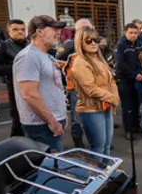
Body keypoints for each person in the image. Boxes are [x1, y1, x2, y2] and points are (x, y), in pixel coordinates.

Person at [13, 15, 68, 151]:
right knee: (48, 168)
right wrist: (51, 120)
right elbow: (29, 94)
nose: (58, 33)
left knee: (55, 166)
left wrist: (62, 114)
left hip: (51, 122)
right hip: (41, 126)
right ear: (39, 31)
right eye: (54, 29)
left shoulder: (45, 55)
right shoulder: (28, 57)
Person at [68, 26, 119, 157]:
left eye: (95, 40)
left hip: (105, 107)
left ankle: (106, 175)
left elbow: (111, 81)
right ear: (80, 42)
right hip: (90, 110)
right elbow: (90, 89)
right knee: (98, 148)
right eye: (88, 41)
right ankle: (95, 176)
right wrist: (112, 98)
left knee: (106, 147)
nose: (93, 44)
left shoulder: (99, 60)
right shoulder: (80, 63)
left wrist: (114, 97)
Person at [57, 18, 97, 148]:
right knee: (77, 117)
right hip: (76, 88)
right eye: (81, 28)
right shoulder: (69, 45)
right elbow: (58, 63)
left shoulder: (95, 44)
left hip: (94, 87)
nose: (85, 31)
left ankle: (97, 140)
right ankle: (78, 143)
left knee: (95, 114)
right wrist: (71, 77)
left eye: (88, 28)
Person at [0, 19, 28, 137]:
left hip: (34, 85)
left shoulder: (30, 44)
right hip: (15, 87)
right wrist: (16, 68)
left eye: (22, 29)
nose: (20, 32)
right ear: (8, 31)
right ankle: (16, 147)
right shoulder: (2, 46)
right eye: (15, 29)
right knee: (18, 118)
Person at [113, 23, 142, 139]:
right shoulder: (120, 45)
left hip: (138, 79)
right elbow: (120, 64)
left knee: (136, 104)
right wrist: (134, 75)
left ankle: (135, 125)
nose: (133, 35)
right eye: (131, 33)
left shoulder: (139, 44)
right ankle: (128, 130)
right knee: (128, 106)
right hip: (125, 79)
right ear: (125, 33)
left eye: (135, 33)